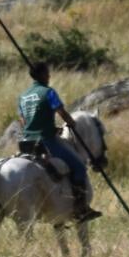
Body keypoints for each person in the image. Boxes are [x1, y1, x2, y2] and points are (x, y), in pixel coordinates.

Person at [14, 62, 101, 223]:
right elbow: (61, 112)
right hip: (46, 142)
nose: (49, 76)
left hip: (25, 143)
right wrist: (71, 123)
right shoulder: (48, 92)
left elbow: (24, 122)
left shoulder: (23, 97)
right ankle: (81, 208)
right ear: (40, 75)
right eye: (47, 73)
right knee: (79, 167)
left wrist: (51, 128)